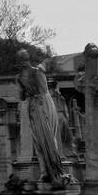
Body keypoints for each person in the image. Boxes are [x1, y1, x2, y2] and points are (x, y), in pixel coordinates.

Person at [14, 49, 68, 186]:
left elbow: (40, 92)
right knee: (39, 141)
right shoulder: (29, 74)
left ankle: (54, 171)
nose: (22, 63)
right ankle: (45, 172)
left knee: (48, 138)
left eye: (22, 60)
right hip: (36, 106)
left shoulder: (32, 73)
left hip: (42, 106)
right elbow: (37, 92)